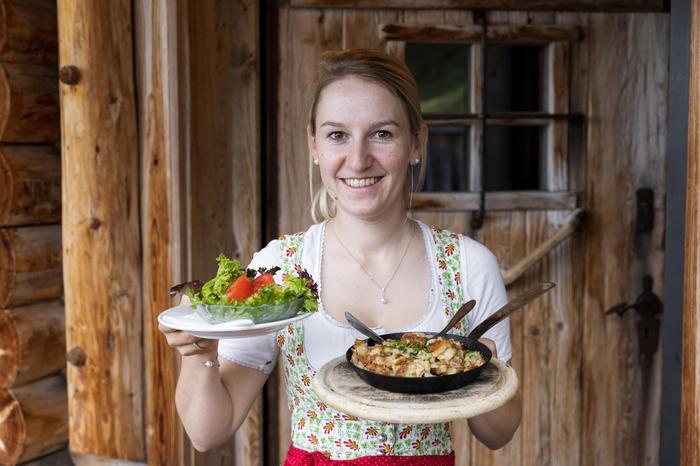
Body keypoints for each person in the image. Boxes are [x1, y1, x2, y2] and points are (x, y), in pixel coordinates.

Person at [159, 48, 522, 464]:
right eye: (337, 135)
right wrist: (200, 355)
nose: (358, 159)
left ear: (417, 142)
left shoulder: (468, 265)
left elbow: (499, 434)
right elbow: (208, 432)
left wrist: (480, 368)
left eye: (382, 134)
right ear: (314, 146)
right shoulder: (282, 267)